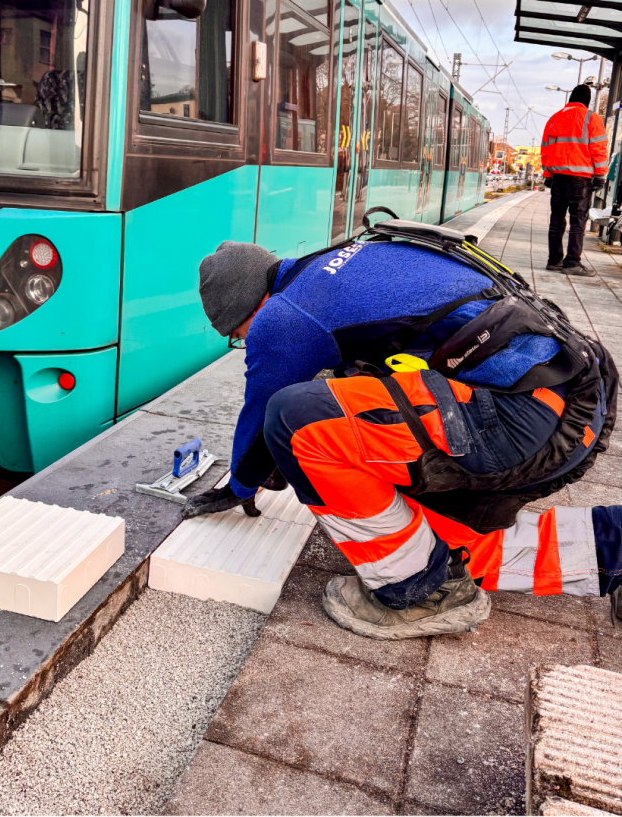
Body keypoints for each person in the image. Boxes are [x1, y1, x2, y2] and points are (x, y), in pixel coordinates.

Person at [183, 235, 619, 640]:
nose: (245, 342)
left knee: (295, 422)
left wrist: (240, 483)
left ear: (249, 310)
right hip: (576, 402)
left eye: (238, 335)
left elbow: (261, 409)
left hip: (518, 420)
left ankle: (419, 593)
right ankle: (613, 544)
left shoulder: (283, 316)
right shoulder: (344, 262)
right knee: (441, 544)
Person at [542, 83, 608, 276]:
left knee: (556, 221)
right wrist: (601, 174)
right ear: (587, 101)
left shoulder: (554, 118)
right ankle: (572, 263)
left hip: (558, 178)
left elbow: (545, 148)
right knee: (578, 222)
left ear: (570, 98)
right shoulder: (590, 118)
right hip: (581, 180)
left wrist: (548, 175)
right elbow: (598, 149)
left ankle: (554, 261)